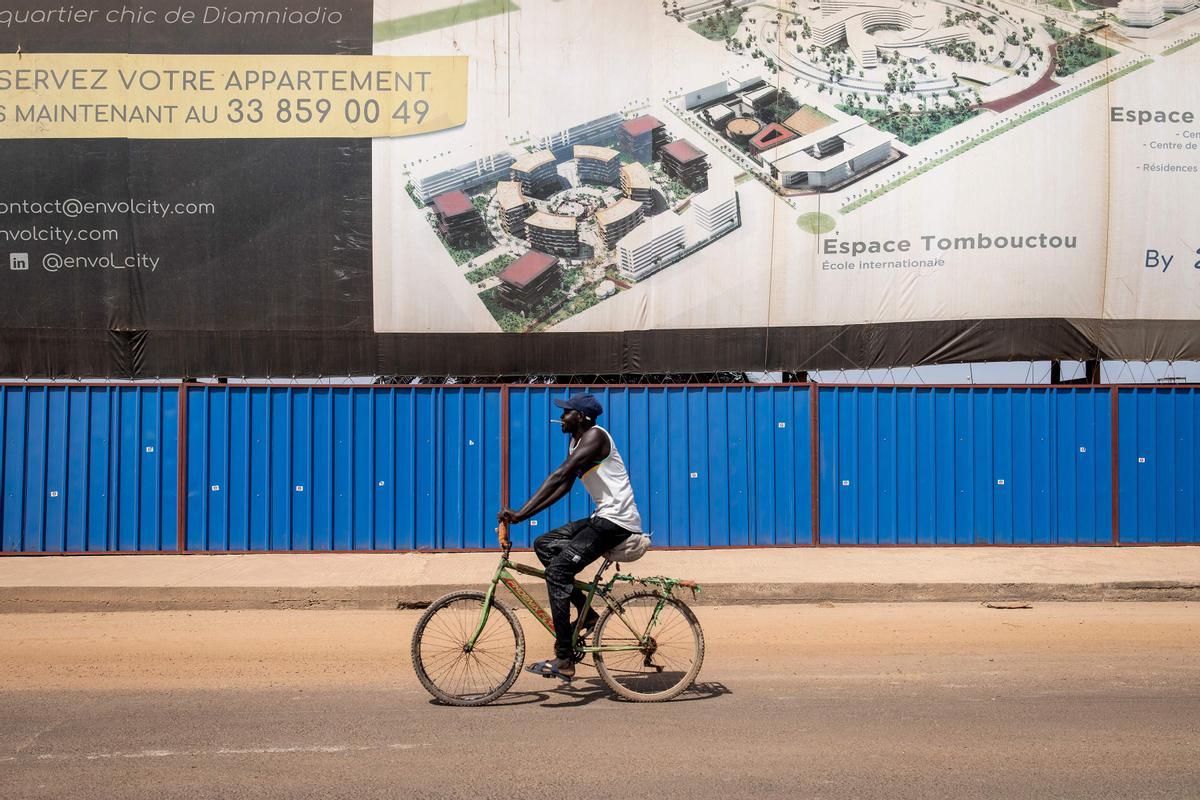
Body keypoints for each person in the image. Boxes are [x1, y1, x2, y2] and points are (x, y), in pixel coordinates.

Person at [497, 392, 643, 681]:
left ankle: (564, 658)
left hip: (617, 522)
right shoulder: (576, 442)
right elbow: (563, 486)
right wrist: (522, 516)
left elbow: (559, 475)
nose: (561, 417)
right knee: (544, 545)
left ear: (581, 417)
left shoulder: (595, 438)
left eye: (567, 413)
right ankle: (587, 615)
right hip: (602, 518)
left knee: (559, 572)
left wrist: (519, 514)